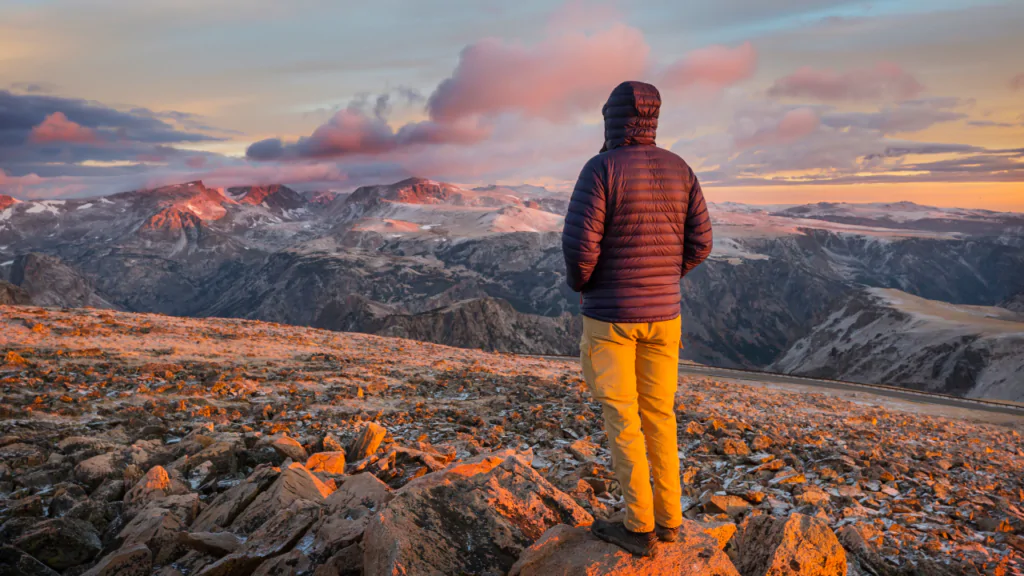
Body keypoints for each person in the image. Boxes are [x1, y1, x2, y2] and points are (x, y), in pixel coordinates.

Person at [561, 80, 713, 557]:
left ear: (611, 118)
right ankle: (670, 519)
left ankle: (639, 526)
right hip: (665, 317)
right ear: (652, 119)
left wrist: (586, 285)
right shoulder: (681, 168)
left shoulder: (601, 168)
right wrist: (667, 278)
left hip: (610, 319)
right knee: (660, 416)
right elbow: (701, 243)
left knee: (624, 420)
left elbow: (579, 246)